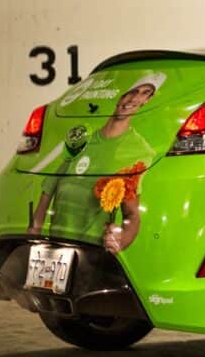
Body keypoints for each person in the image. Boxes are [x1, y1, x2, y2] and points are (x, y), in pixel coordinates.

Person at [29, 73, 165, 254]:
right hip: (55, 247)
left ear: (147, 100)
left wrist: (120, 240)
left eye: (144, 93)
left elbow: (132, 214)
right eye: (130, 92)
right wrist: (35, 228)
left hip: (91, 252)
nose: (133, 98)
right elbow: (51, 184)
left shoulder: (139, 151)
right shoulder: (84, 135)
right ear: (120, 96)